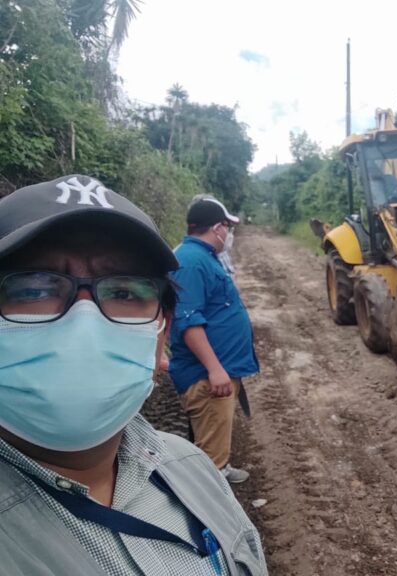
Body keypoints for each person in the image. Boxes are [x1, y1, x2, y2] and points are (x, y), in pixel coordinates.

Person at [0, 175, 268, 575]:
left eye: (124, 292)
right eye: (35, 289)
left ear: (160, 331)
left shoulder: (192, 469)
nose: (84, 322)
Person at [169, 197, 259, 485]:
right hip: (206, 374)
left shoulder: (202, 257)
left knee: (216, 433)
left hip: (217, 369)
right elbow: (187, 319)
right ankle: (212, 501)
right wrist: (214, 368)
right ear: (218, 228)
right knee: (207, 458)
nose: (229, 235)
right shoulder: (191, 262)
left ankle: (220, 465)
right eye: (228, 228)